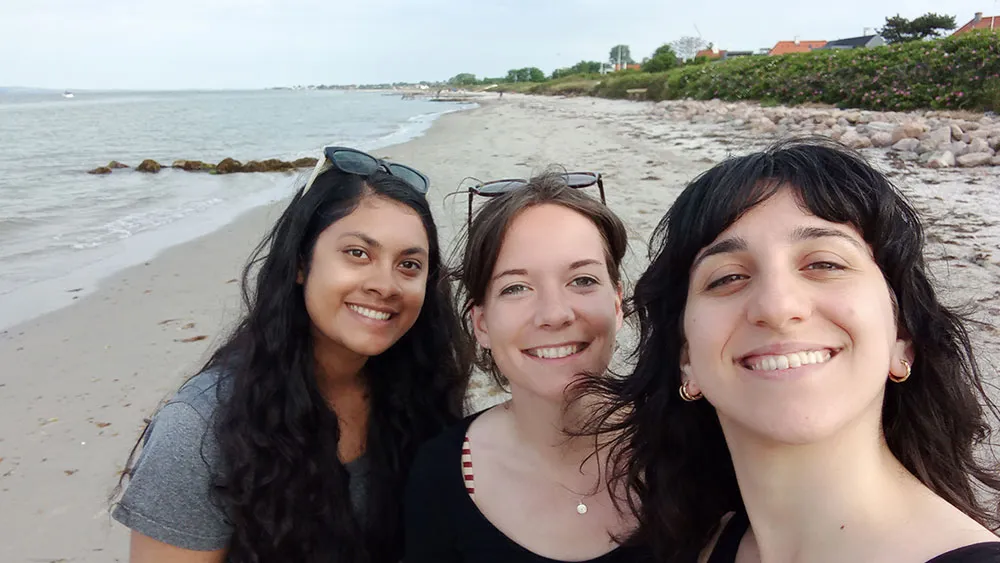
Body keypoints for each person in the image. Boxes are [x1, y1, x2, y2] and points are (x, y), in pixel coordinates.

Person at [584, 138, 1000, 563]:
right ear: (685, 359)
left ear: (902, 336)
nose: (777, 307)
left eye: (824, 264)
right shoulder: (685, 545)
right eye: (727, 277)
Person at [112, 147, 471, 563]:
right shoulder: (201, 426)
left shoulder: (424, 393)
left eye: (409, 265)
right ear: (301, 263)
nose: (385, 285)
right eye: (358, 253)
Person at [404, 173, 651, 562]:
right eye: (516, 287)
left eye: (583, 280)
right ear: (481, 323)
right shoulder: (439, 474)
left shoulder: (684, 445)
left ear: (617, 304)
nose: (554, 314)